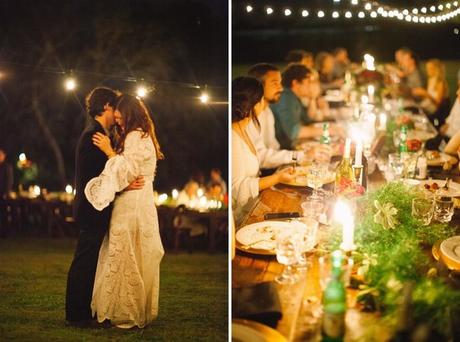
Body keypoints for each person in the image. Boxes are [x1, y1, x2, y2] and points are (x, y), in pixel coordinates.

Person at [83, 94, 165, 328]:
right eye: (116, 119)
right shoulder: (145, 135)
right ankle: (130, 307)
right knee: (135, 253)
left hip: (131, 204)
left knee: (123, 252)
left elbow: (127, 170)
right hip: (143, 203)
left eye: (120, 118)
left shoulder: (133, 135)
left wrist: (110, 152)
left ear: (129, 115)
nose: (118, 123)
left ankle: (123, 311)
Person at [65, 87, 133, 327]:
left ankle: (85, 311)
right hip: (92, 208)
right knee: (85, 260)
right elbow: (98, 177)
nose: (116, 114)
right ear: (105, 106)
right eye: (114, 107)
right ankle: (77, 315)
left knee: (90, 260)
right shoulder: (94, 135)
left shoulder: (99, 133)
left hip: (95, 207)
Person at [232, 77, 295, 220]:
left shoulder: (246, 128)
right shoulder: (233, 137)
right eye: (261, 100)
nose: (264, 104)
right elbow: (237, 188)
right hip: (241, 216)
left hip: (254, 204)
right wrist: (277, 177)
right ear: (252, 104)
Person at [270, 64, 342, 149]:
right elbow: (294, 132)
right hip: (283, 149)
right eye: (308, 82)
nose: (311, 85)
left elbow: (308, 118)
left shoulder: (294, 97)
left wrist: (312, 98)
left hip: (291, 145)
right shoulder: (286, 98)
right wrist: (327, 131)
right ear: (296, 83)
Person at [412, 59, 450, 128]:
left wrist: (425, 94)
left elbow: (438, 103)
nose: (428, 71)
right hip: (429, 107)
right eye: (427, 68)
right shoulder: (431, 80)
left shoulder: (440, 82)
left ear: (436, 69)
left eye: (430, 68)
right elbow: (428, 98)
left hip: (438, 112)